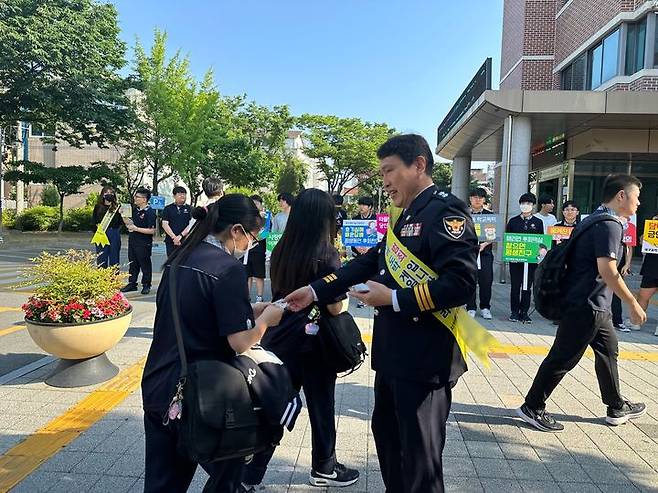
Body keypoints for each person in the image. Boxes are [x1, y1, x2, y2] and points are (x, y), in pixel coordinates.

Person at [285, 134, 478, 493]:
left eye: (390, 171)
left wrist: (394, 299)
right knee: (389, 441)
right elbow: (370, 261)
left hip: (424, 359)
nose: (385, 181)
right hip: (393, 356)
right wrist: (313, 291)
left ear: (419, 165)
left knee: (420, 460)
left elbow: (462, 283)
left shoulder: (445, 212)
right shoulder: (406, 215)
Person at [141, 194, 284, 493]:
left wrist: (249, 311)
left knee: (162, 484)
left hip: (159, 385)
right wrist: (266, 320)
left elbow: (192, 312)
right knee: (227, 476)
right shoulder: (228, 268)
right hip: (202, 396)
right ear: (236, 231)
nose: (250, 245)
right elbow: (239, 342)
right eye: (252, 237)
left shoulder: (179, 259)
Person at [241, 189, 359, 491]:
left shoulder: (281, 248)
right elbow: (333, 306)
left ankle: (250, 475)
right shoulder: (327, 254)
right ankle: (324, 467)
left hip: (280, 339)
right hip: (316, 343)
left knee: (276, 406)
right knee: (321, 406)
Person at [517, 174, 647, 432]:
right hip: (586, 305)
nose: (639, 203)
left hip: (595, 304)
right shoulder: (609, 225)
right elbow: (608, 270)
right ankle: (532, 406)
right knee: (563, 357)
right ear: (621, 195)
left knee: (609, 350)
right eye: (637, 196)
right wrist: (632, 303)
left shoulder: (594, 219)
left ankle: (616, 406)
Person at [506, 193, 544, 323]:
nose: (525, 206)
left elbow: (541, 242)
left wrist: (539, 257)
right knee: (515, 287)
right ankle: (514, 312)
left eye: (528, 203)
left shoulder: (538, 222)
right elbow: (508, 240)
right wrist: (511, 255)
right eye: (523, 203)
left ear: (533, 206)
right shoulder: (513, 221)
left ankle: (524, 312)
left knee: (527, 287)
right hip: (516, 260)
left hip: (531, 261)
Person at [121, 187, 157, 295]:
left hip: (144, 243)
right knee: (133, 263)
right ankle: (132, 283)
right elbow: (130, 224)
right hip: (133, 241)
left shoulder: (150, 212)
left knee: (144, 264)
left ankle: (146, 284)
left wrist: (136, 229)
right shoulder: (135, 210)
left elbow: (152, 231)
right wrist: (123, 215)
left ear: (144, 199)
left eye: (137, 197)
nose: (135, 199)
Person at [466, 187, 494, 320]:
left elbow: (494, 235)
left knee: (486, 281)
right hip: (468, 254)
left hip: (485, 253)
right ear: (470, 199)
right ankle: (470, 307)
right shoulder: (463, 214)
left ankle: (485, 307)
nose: (477, 200)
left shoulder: (490, 215)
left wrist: (484, 245)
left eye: (480, 197)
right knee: (470, 280)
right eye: (475, 197)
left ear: (484, 199)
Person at [630, 213, 658, 333]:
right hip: (651, 265)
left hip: (651, 266)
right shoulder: (652, 223)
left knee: (643, 296)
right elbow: (642, 241)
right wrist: (649, 229)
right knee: (643, 296)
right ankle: (637, 322)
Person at [92, 185, 122, 268]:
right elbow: (94, 220)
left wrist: (122, 213)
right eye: (106, 192)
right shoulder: (98, 206)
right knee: (101, 257)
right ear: (102, 194)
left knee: (114, 258)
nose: (109, 194)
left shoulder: (117, 207)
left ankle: (114, 279)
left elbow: (121, 222)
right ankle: (102, 278)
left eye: (111, 193)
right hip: (101, 233)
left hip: (114, 233)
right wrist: (96, 228)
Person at [246, 195, 267, 303]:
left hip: (259, 249)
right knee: (247, 275)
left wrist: (253, 239)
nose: (255, 205)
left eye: (257, 203)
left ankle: (259, 297)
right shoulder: (246, 216)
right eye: (253, 203)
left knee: (259, 275)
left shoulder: (265, 216)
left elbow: (266, 232)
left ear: (261, 204)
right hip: (246, 249)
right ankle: (247, 297)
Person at [161, 186, 193, 258]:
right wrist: (174, 237)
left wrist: (180, 236)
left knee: (184, 262)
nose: (182, 196)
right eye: (179, 194)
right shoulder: (168, 208)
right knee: (171, 263)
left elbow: (191, 224)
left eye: (184, 194)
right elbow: (165, 224)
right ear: (174, 196)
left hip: (185, 241)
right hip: (170, 241)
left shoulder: (190, 209)